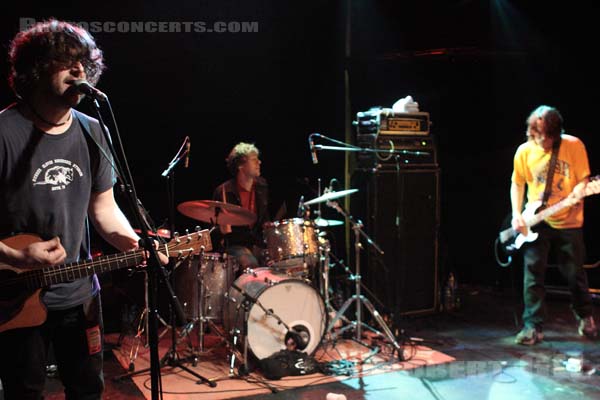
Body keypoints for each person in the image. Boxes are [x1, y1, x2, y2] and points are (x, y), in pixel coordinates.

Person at [0, 20, 161, 399]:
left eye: (84, 63)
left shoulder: (92, 129)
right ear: (36, 69)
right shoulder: (4, 132)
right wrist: (15, 255)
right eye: (65, 61)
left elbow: (104, 209)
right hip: (13, 296)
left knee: (88, 389)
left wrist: (136, 244)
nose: (79, 71)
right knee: (25, 392)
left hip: (79, 293)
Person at [510, 105, 598, 345]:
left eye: (545, 138)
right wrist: (517, 214)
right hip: (537, 220)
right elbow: (517, 183)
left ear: (555, 134)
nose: (540, 142)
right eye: (536, 137)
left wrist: (577, 195)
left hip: (569, 221)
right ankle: (532, 326)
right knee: (533, 273)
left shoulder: (574, 146)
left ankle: (585, 316)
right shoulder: (524, 151)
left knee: (574, 273)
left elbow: (583, 180)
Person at [212, 142, 270, 268]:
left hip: (257, 244)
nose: (259, 162)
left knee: (280, 263)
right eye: (254, 160)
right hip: (234, 246)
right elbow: (212, 230)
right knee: (250, 263)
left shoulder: (262, 186)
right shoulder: (223, 192)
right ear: (240, 165)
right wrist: (221, 230)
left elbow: (265, 220)